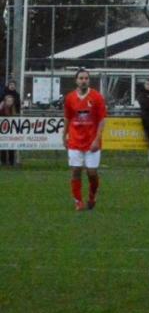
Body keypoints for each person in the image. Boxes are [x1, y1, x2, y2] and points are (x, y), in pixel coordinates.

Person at [63, 68, 107, 211]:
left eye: (86, 78)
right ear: (76, 80)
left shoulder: (97, 97)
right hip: (75, 141)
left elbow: (102, 120)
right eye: (81, 78)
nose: (83, 81)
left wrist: (97, 139)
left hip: (92, 142)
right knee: (76, 170)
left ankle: (92, 196)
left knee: (92, 173)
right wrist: (64, 135)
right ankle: (78, 201)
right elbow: (67, 118)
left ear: (89, 80)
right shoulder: (70, 98)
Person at [0, 93, 16, 165]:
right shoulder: (2, 108)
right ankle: (3, 161)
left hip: (11, 130)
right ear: (5, 101)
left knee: (11, 145)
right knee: (3, 145)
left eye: (11, 101)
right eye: (8, 101)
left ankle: (11, 161)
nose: (9, 102)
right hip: (2, 130)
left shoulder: (13, 109)